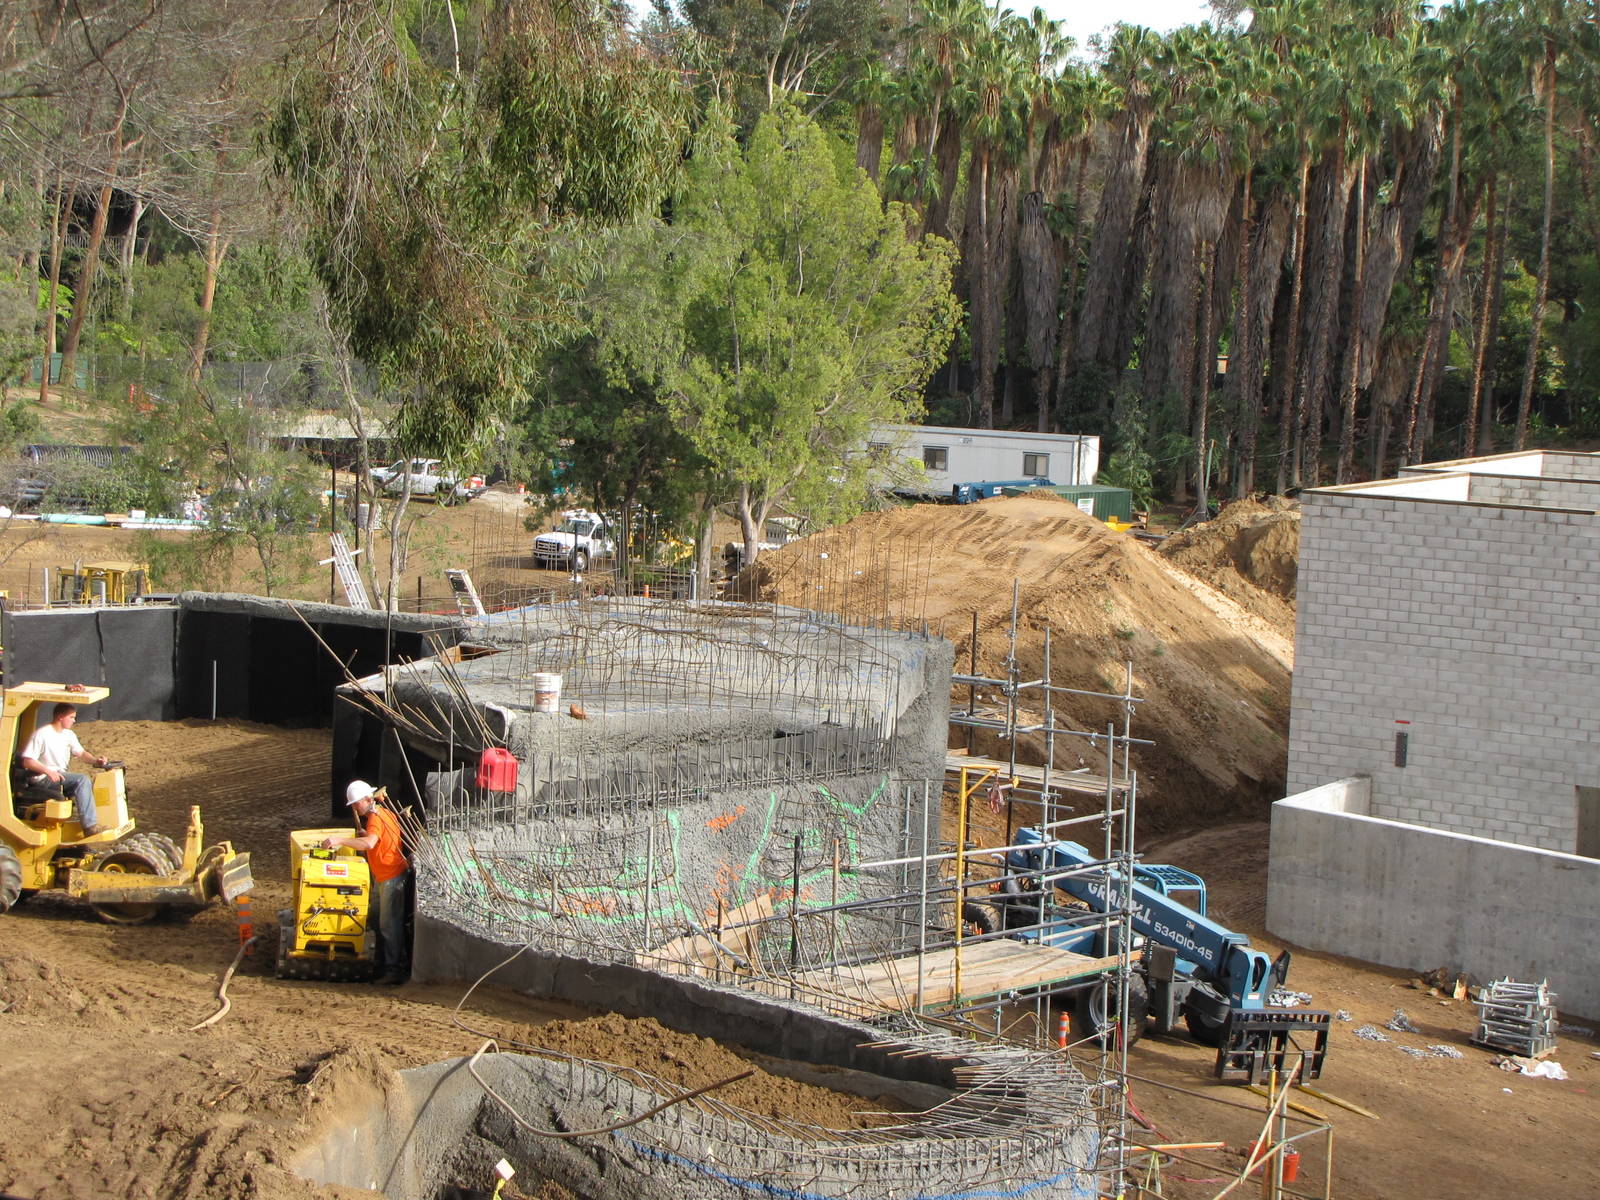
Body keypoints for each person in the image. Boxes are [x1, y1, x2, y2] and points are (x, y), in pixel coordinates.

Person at [321, 780, 410, 985]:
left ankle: (393, 970)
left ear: (368, 799)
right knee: (383, 922)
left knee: (389, 925)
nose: (355, 807)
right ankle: (386, 965)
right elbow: (375, 840)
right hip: (386, 876)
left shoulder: (375, 819)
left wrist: (339, 840)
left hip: (390, 876)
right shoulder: (384, 815)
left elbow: (369, 843)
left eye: (356, 803)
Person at [19, 702, 110, 836]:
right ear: (60, 717)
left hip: (59, 776)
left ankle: (82, 825)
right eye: (71, 717)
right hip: (43, 778)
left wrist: (96, 761)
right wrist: (47, 771)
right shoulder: (42, 734)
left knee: (85, 782)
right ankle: (90, 827)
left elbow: (82, 754)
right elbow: (28, 761)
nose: (74, 720)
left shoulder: (69, 735)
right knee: (82, 780)